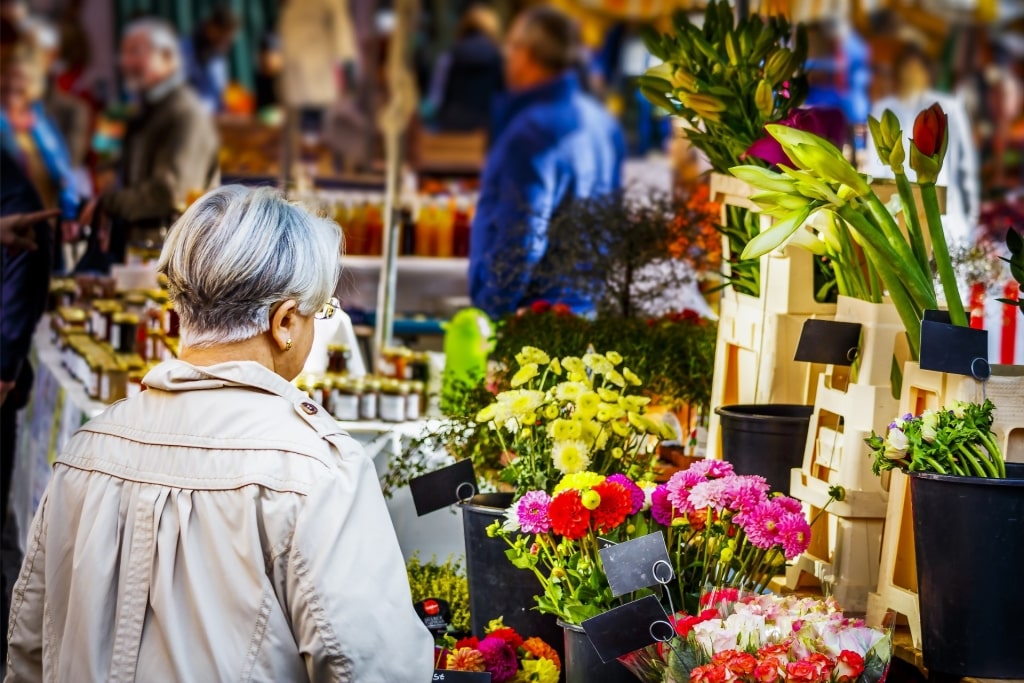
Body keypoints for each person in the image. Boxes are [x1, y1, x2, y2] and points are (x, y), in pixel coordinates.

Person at [5, 185, 435, 681]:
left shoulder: (87, 449)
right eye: (321, 313)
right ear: (284, 322)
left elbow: (29, 651)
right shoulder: (313, 469)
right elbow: (373, 668)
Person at [469, 6, 625, 318]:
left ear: (526, 54)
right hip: (584, 310)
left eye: (510, 48)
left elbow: (522, 239)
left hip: (533, 320)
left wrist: (491, 312)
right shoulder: (601, 122)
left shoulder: (532, 132)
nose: (507, 58)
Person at [76, 19, 219, 272]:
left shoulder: (184, 113)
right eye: (124, 53)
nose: (126, 63)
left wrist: (109, 203)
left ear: (167, 57)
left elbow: (169, 193)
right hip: (145, 254)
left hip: (168, 260)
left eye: (136, 52)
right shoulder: (151, 109)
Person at [866, 42, 978, 245]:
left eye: (917, 70)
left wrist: (972, 219)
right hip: (900, 215)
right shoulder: (884, 109)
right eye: (906, 70)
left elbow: (967, 165)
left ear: (928, 73)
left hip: (948, 215)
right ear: (898, 75)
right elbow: (875, 171)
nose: (912, 76)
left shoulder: (949, 107)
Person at [0, 23, 79, 266]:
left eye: (21, 78)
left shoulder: (42, 121)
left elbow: (65, 173)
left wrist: (69, 212)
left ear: (34, 84)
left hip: (46, 226)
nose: (14, 84)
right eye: (8, 76)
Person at [425, 4, 505, 132]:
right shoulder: (499, 58)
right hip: (485, 132)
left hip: (449, 131)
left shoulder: (450, 56)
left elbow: (434, 99)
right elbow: (503, 97)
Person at [181, 5, 238, 113]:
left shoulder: (219, 54)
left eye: (229, 37)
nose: (226, 40)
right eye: (223, 34)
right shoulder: (186, 48)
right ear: (211, 27)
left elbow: (220, 92)